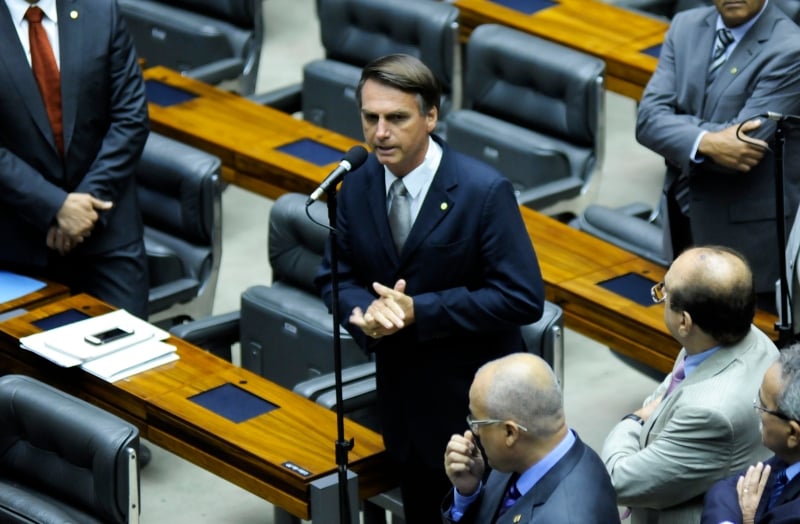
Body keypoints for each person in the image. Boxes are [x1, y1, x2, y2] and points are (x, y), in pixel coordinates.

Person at [315, 54, 545, 522]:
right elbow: (334, 277)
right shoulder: (354, 185)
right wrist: (366, 316)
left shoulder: (482, 191)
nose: (380, 132)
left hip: (476, 415)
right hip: (403, 409)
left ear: (431, 116)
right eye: (370, 117)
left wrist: (420, 310)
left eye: (396, 118)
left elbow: (522, 296)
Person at [635, 0, 800, 304]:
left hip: (744, 245)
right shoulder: (684, 27)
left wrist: (678, 131)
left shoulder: (791, 49)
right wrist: (705, 140)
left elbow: (742, 150)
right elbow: (647, 121)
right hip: (681, 222)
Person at [601, 245, 780, 523]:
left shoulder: (711, 413)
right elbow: (668, 391)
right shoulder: (742, 336)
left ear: (684, 322)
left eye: (665, 291)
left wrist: (633, 419)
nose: (661, 293)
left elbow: (616, 481)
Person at [0, 0, 150, 318]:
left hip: (105, 231)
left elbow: (131, 117)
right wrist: (54, 206)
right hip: (18, 239)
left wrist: (82, 207)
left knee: (128, 359)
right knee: (28, 366)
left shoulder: (99, 10)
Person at [442, 353, 620, 523]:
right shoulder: (525, 456)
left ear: (510, 433)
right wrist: (469, 494)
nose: (475, 432)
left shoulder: (566, 518)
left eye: (478, 422)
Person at [702, 344, 800, 524]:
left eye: (763, 406)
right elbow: (727, 489)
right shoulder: (791, 455)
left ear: (793, 433)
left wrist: (747, 520)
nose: (757, 409)